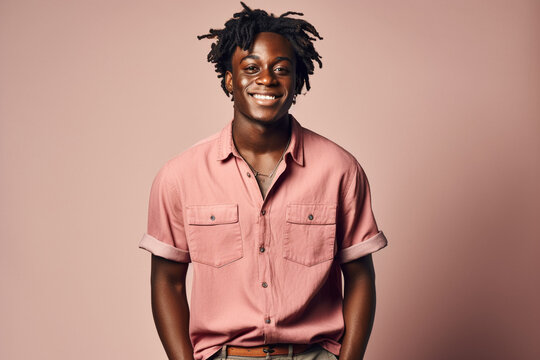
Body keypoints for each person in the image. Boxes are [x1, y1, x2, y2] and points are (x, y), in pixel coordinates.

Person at [139, 2, 388, 360]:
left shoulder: (340, 170)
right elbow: (167, 281)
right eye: (251, 68)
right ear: (229, 79)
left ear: (297, 79)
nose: (267, 79)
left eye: (281, 69)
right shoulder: (179, 176)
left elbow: (361, 276)